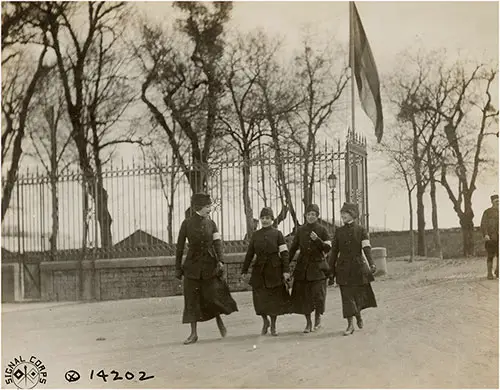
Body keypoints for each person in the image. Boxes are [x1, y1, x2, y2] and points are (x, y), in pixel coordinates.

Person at [175, 193, 238, 344]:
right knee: (191, 299)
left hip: (210, 266)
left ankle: (218, 319)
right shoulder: (186, 224)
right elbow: (179, 247)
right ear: (199, 207)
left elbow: (218, 244)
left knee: (212, 295)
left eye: (210, 206)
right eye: (207, 206)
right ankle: (193, 334)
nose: (210, 209)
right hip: (192, 267)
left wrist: (221, 260)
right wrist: (178, 268)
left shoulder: (212, 224)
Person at [241, 207, 291, 336]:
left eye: (267, 218)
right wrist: (244, 270)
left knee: (273, 300)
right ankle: (265, 321)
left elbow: (284, 253)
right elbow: (250, 253)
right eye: (263, 218)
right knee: (259, 300)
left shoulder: (278, 234)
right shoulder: (255, 235)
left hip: (274, 271)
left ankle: (273, 326)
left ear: (272, 220)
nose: (265, 221)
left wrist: (286, 271)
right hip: (259, 272)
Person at [329, 202, 377, 336]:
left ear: (353, 214)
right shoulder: (338, 232)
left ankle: (358, 315)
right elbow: (333, 252)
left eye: (346, 213)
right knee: (346, 297)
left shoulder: (361, 230)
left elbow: (366, 248)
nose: (343, 215)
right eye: (342, 213)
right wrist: (330, 270)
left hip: (358, 267)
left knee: (357, 296)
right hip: (343, 268)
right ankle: (350, 325)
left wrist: (371, 263)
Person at [288, 204, 332, 333]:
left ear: (317, 216)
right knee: (304, 297)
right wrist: (285, 266)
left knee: (318, 295)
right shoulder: (300, 230)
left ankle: (318, 317)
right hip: (303, 268)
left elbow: (328, 248)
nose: (311, 217)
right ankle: (308, 322)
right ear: (305, 216)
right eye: (308, 214)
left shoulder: (323, 230)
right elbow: (293, 249)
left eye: (313, 214)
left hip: (318, 268)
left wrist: (318, 240)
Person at [480, 194, 499, 279]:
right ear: (492, 202)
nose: (498, 203)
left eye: (498, 201)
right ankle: (489, 273)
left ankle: (498, 271)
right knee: (490, 255)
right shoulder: (487, 212)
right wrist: (486, 234)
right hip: (491, 237)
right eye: (496, 201)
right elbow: (483, 224)